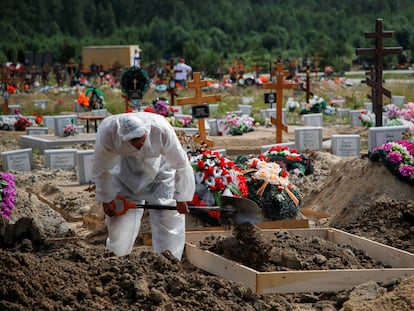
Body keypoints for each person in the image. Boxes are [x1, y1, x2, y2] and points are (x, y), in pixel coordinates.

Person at [92, 112, 195, 259]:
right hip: (126, 171)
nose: (138, 143)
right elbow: (101, 168)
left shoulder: (161, 129)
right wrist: (106, 198)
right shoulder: (108, 132)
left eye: (140, 138)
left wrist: (182, 197)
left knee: (166, 215)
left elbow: (180, 164)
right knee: (120, 220)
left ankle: (168, 261)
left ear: (146, 131)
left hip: (161, 170)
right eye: (133, 140)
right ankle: (117, 258)